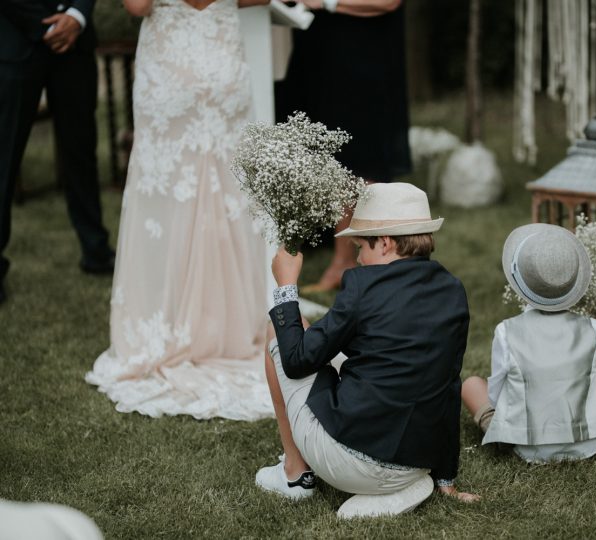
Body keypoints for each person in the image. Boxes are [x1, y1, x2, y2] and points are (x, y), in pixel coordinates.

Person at [86, 0, 273, 420]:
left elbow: (137, 6)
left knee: (167, 199)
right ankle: (228, 331)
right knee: (228, 198)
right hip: (225, 63)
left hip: (170, 69)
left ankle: (170, 325)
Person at [256, 183, 478, 518]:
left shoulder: (362, 286)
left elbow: (298, 360)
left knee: (278, 327)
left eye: (360, 246)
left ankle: (295, 474)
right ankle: (414, 485)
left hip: (351, 462)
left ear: (386, 244)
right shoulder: (453, 290)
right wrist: (446, 477)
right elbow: (449, 385)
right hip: (415, 462)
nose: (358, 258)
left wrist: (286, 288)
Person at [276, 0, 412, 292]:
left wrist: (327, 2)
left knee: (359, 156)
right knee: (324, 153)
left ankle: (361, 264)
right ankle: (341, 261)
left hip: (363, 52)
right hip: (319, 51)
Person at [461, 224, 596, 463]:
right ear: (573, 282)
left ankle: (506, 438)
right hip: (589, 444)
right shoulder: (590, 327)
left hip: (524, 448)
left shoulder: (507, 331)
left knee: (472, 385)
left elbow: (496, 397)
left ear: (520, 282)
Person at [0, 0, 116, 305]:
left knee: (81, 151)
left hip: (76, 43)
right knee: (5, 157)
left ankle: (96, 249)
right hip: (15, 40)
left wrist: (77, 16)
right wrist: (45, 25)